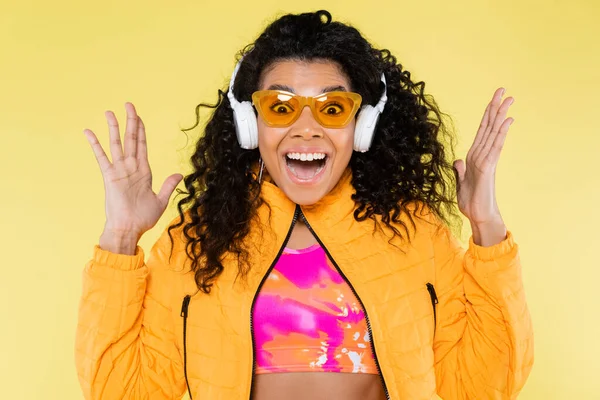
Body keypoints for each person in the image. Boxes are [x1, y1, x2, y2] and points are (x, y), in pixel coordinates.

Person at [76, 10, 533, 400]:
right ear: (250, 124)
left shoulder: (415, 232)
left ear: (363, 125)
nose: (307, 129)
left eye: (332, 109)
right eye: (280, 107)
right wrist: (120, 237)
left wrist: (485, 226)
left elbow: (484, 383)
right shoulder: (200, 239)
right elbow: (124, 389)